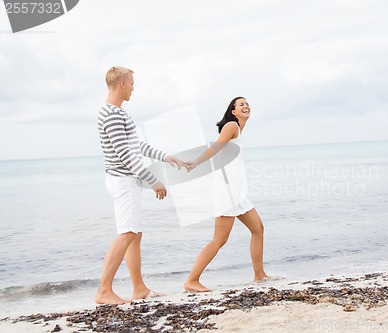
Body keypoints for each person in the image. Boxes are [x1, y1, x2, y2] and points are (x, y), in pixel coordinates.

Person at [95, 66, 184, 304]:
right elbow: (125, 154)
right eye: (132, 83)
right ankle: (104, 291)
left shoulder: (120, 113)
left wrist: (166, 157)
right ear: (122, 84)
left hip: (128, 180)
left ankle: (139, 288)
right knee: (126, 234)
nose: (134, 88)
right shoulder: (111, 114)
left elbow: (137, 147)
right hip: (123, 181)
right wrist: (153, 180)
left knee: (135, 234)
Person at [183, 97, 271, 292]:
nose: (246, 106)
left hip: (238, 193)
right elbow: (215, 147)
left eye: (247, 103)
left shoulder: (238, 128)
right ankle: (191, 280)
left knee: (258, 229)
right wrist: (196, 163)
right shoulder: (232, 125)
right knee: (219, 239)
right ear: (233, 111)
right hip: (227, 191)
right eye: (241, 104)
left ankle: (259, 275)